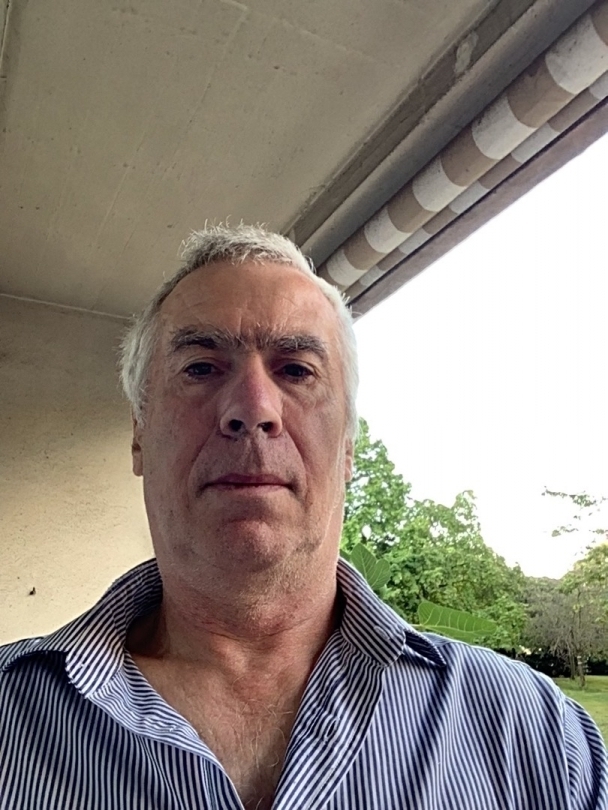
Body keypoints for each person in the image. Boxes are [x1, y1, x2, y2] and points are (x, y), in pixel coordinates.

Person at [0, 224, 606, 810]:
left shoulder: (539, 742)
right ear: (139, 434)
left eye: (296, 370)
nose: (253, 408)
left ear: (347, 446)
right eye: (201, 367)